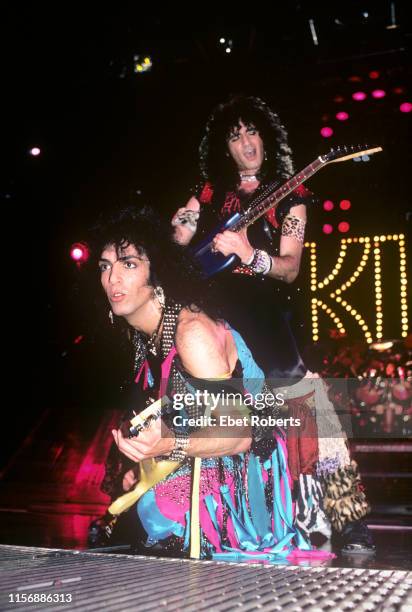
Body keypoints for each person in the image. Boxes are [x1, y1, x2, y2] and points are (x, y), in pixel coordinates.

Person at [171, 95, 374, 554]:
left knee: (307, 403)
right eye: (235, 135)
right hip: (209, 310)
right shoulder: (208, 192)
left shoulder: (292, 195)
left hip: (262, 309)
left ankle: (348, 520)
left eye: (252, 132)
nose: (246, 143)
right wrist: (175, 236)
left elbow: (289, 268)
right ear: (225, 147)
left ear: (266, 136)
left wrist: (247, 254)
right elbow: (178, 235)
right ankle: (159, 516)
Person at [89, 206, 331, 562]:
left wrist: (168, 446)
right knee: (126, 506)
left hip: (254, 468)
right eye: (105, 266)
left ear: (157, 274)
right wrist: (143, 467)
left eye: (129, 264)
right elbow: (184, 417)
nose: (112, 279)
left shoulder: (192, 333)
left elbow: (242, 434)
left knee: (153, 518)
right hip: (210, 453)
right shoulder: (147, 336)